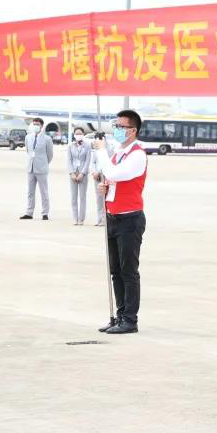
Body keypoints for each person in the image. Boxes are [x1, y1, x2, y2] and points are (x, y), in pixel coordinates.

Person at [96, 110, 148, 335]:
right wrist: (105, 188)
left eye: (121, 126)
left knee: (128, 271)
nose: (116, 130)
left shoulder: (137, 155)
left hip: (130, 219)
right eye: (116, 126)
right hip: (113, 217)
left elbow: (115, 174)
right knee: (115, 271)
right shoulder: (118, 153)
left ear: (132, 130)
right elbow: (111, 178)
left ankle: (130, 319)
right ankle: (120, 315)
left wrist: (101, 151)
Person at [21, 117, 53, 220]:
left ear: (42, 126)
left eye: (37, 124)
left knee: (44, 192)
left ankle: (45, 213)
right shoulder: (28, 137)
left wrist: (44, 163)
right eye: (34, 124)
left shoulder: (47, 139)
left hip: (41, 168)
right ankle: (29, 213)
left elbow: (50, 155)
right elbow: (28, 151)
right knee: (30, 192)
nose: (35, 126)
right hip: (31, 168)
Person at [67, 127, 91, 226]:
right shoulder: (70, 146)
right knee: (73, 197)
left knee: (82, 197)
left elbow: (88, 160)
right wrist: (71, 173)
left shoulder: (87, 146)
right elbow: (69, 160)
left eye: (80, 133)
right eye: (76, 133)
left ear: (83, 134)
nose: (78, 135)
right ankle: (75, 218)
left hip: (82, 174)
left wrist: (82, 173)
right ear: (74, 135)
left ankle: (81, 219)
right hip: (73, 173)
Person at [90, 133, 107, 226]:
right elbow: (93, 162)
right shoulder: (95, 151)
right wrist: (94, 172)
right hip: (96, 177)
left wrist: (99, 171)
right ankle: (99, 218)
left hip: (105, 176)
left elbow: (107, 163)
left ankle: (105, 219)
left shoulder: (108, 149)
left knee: (105, 198)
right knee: (98, 199)